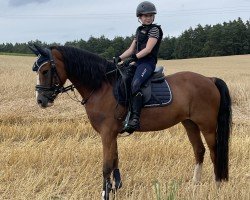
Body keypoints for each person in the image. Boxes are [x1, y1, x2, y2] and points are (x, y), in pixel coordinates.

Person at [114, 1, 163, 134]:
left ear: (153, 17)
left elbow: (148, 49)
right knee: (123, 81)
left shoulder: (155, 30)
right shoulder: (138, 30)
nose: (147, 18)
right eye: (144, 15)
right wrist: (118, 58)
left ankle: (135, 118)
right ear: (139, 17)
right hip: (137, 62)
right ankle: (125, 112)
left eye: (150, 15)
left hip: (147, 63)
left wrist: (134, 58)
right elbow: (131, 49)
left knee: (136, 84)